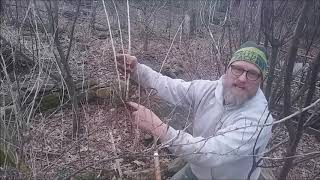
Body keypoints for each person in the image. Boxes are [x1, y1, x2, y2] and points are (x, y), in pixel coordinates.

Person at [116, 41, 273, 180]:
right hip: (198, 171)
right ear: (228, 69)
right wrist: (137, 70)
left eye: (252, 73)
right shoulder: (209, 90)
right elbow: (171, 87)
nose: (242, 78)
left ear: (261, 80)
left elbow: (212, 153)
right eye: (237, 69)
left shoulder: (258, 119)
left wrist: (160, 129)